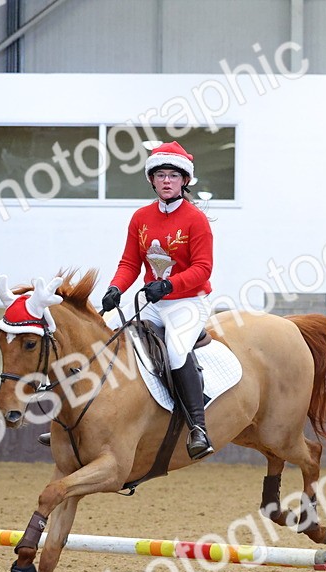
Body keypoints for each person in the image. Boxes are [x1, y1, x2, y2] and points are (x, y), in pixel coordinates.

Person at [100, 140, 215, 460]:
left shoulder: (196, 219)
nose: (166, 180)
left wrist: (168, 286)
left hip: (188, 302)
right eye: (161, 174)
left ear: (184, 181)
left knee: (177, 352)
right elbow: (129, 264)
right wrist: (115, 289)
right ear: (152, 179)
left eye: (173, 175)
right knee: (104, 336)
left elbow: (203, 268)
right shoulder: (140, 217)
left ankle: (198, 428)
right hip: (153, 301)